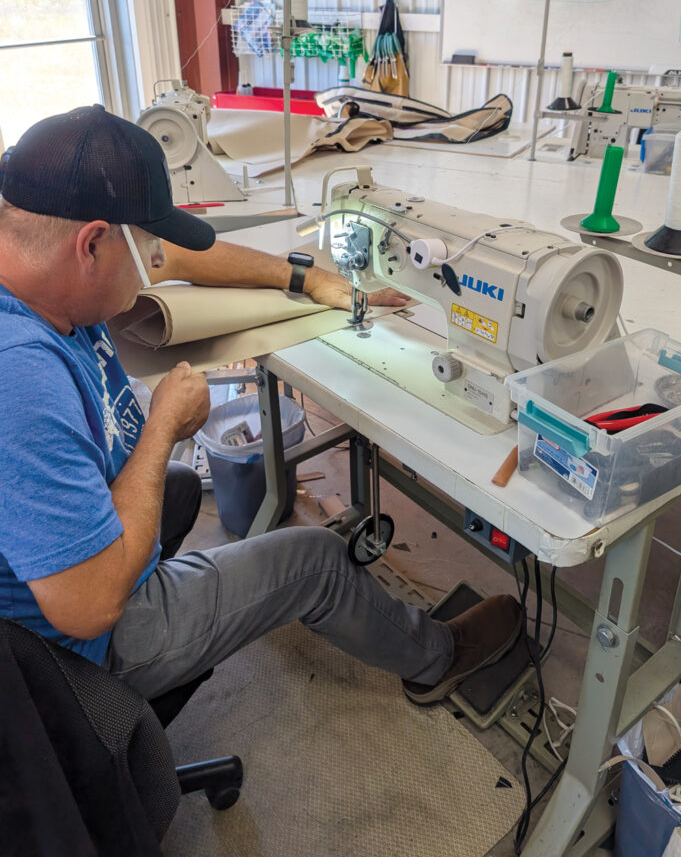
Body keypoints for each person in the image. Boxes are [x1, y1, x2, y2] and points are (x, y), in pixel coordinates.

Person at [0, 104, 520, 709]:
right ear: (91, 244)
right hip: (69, 656)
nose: (153, 265)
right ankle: (437, 659)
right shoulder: (21, 378)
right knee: (316, 561)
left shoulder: (33, 255)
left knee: (176, 490)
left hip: (57, 584)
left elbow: (181, 258)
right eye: (144, 250)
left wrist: (301, 279)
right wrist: (164, 425)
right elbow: (88, 608)